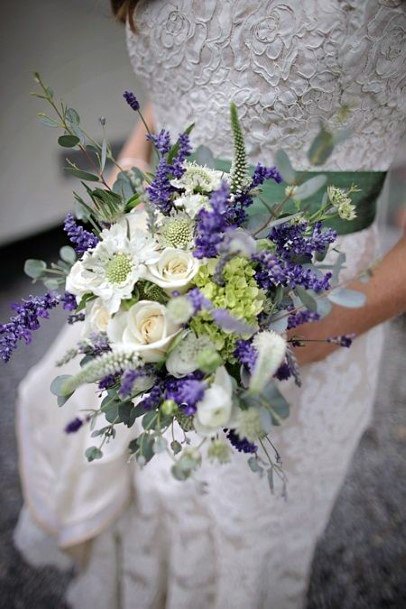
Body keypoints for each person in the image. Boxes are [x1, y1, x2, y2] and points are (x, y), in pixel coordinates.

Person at [14, 1, 406, 608]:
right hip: (159, 258)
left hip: (304, 299)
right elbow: (186, 86)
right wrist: (135, 160)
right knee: (151, 498)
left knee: (241, 529)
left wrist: (315, 331)